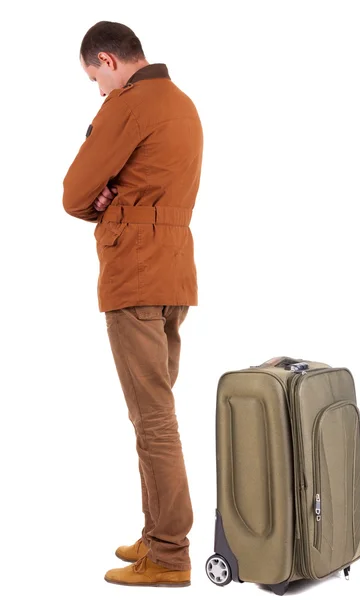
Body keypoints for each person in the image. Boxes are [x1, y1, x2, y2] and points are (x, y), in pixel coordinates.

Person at [62, 20, 203, 587]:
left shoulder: (129, 103)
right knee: (153, 414)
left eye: (96, 77)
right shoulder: (184, 105)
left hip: (134, 274)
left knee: (154, 420)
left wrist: (101, 194)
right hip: (173, 274)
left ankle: (170, 553)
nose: (99, 89)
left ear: (108, 60)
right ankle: (155, 532)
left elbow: (73, 194)